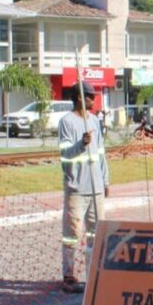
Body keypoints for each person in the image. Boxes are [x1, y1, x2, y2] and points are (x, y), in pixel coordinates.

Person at [58, 81, 109, 293]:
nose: (93, 100)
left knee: (95, 235)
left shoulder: (95, 121)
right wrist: (81, 144)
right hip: (77, 188)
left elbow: (101, 153)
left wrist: (105, 180)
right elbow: (65, 153)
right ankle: (69, 274)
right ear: (80, 97)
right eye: (90, 96)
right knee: (72, 233)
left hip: (96, 187)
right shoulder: (66, 122)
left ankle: (93, 275)